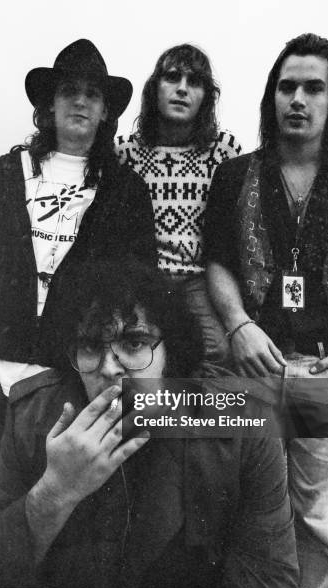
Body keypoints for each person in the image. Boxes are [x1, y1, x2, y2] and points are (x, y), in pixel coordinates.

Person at [0, 259, 299, 588]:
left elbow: (270, 585)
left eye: (134, 343)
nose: (110, 368)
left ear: (173, 352)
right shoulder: (34, 416)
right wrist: (55, 491)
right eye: (91, 347)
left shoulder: (242, 425)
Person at [204, 33, 328, 588]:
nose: (297, 99)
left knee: (318, 521)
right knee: (240, 505)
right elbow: (219, 263)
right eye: (287, 86)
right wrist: (238, 325)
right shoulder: (235, 176)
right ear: (272, 97)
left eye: (313, 87)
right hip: (252, 369)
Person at [0, 39, 156, 514]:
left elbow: (138, 284)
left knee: (40, 500)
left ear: (104, 113)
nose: (80, 101)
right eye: (69, 91)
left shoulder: (126, 190)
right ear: (48, 106)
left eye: (92, 95)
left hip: (60, 369)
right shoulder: (3, 173)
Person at [116, 44, 241, 364]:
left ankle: (195, 412)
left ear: (206, 98)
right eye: (172, 77)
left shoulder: (223, 153)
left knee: (216, 349)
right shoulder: (126, 153)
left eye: (195, 82)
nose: (182, 89)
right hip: (143, 277)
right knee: (136, 346)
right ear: (154, 88)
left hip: (196, 280)